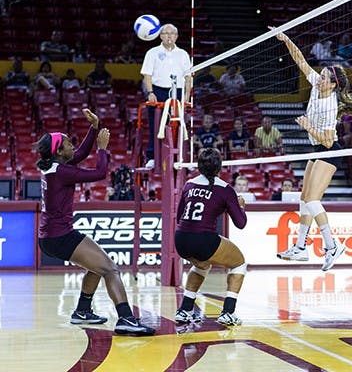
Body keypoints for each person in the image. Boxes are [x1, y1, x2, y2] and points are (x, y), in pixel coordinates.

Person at [35, 109, 154, 335]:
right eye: (68, 143)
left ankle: (82, 311)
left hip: (53, 235)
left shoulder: (53, 166)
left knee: (97, 266)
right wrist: (102, 148)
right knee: (111, 269)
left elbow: (79, 153)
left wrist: (94, 126)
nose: (73, 146)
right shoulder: (61, 171)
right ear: (59, 151)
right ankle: (126, 320)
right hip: (59, 236)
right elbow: (100, 173)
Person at [272, 27, 352, 271]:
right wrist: (285, 38)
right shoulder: (315, 85)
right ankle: (300, 248)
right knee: (304, 199)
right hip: (316, 149)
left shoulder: (330, 107)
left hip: (328, 151)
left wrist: (309, 127)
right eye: (319, 75)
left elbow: (330, 142)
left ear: (332, 85)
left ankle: (332, 246)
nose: (318, 78)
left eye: (323, 77)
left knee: (312, 199)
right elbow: (300, 60)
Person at [174, 148, 248, 326]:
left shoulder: (189, 184)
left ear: (199, 166)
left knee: (202, 265)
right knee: (239, 264)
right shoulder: (225, 189)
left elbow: (179, 217)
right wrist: (241, 206)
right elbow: (241, 223)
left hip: (181, 239)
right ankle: (228, 312)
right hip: (203, 239)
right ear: (219, 167)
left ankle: (185, 310)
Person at [140, 23, 192, 168]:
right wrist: (150, 92)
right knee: (155, 125)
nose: (169, 36)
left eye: (172, 33)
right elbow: (147, 75)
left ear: (176, 36)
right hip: (159, 91)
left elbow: (188, 77)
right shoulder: (152, 52)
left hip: (178, 92)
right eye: (166, 33)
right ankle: (153, 157)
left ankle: (179, 157)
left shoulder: (183, 54)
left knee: (179, 125)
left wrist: (187, 95)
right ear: (161, 36)